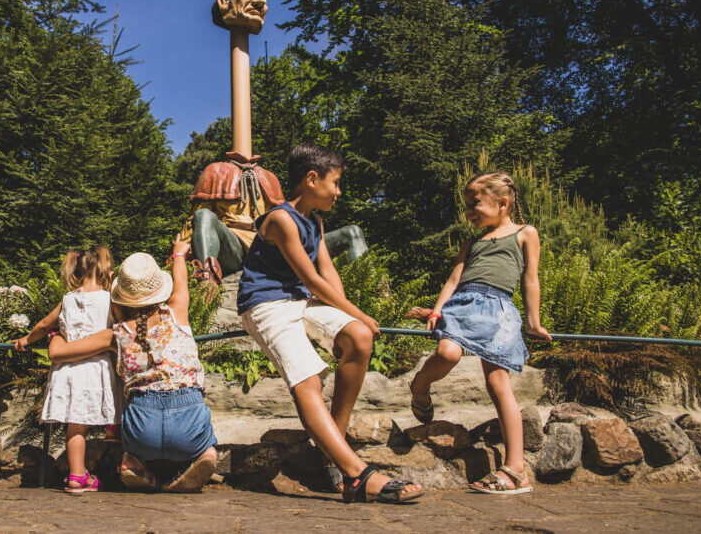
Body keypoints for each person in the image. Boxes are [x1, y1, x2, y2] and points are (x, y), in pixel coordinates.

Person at [236, 143, 423, 504]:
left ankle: (332, 446)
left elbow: (329, 275)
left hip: (299, 300)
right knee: (308, 380)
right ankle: (356, 473)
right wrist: (362, 311)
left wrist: (355, 318)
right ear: (311, 179)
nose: (338, 192)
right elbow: (312, 280)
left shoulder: (315, 221)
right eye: (335, 183)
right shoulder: (281, 219)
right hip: (266, 304)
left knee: (359, 337)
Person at [409, 172, 552, 495]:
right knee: (447, 354)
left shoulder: (525, 233)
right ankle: (419, 386)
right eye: (466, 205)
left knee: (497, 382)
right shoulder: (471, 243)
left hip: (498, 310)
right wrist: (437, 309)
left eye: (475, 203)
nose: (469, 211)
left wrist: (533, 321)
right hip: (462, 305)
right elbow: (453, 279)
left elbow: (531, 278)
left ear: (502, 203)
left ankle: (515, 469)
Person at [46, 237, 218, 493]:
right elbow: (180, 280)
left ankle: (132, 463)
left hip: (141, 426)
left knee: (132, 441)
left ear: (119, 299)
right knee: (206, 442)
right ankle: (203, 455)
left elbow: (58, 354)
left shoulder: (114, 335)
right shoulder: (177, 311)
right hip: (187, 418)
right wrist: (178, 253)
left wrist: (57, 335)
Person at [12, 246, 120, 494]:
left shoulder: (68, 299)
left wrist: (26, 340)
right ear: (106, 271)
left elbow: (43, 324)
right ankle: (112, 442)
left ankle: (77, 475)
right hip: (96, 367)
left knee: (76, 426)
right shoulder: (109, 299)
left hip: (68, 369)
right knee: (112, 410)